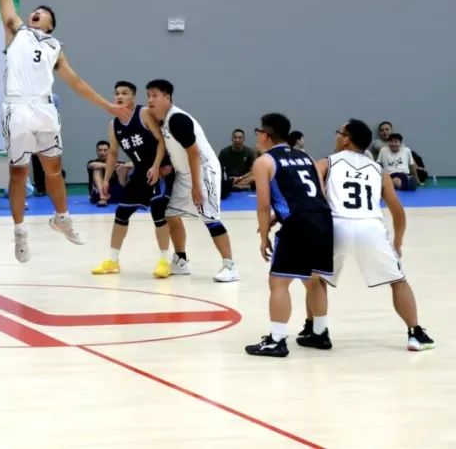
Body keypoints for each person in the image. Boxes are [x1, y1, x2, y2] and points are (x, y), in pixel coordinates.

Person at [0, 0, 129, 262]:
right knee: (19, 172)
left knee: (53, 168)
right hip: (18, 106)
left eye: (42, 12)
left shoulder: (54, 47)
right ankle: (20, 232)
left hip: (45, 107)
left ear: (51, 25)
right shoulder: (17, 31)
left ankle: (61, 218)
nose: (36, 13)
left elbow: (75, 82)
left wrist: (106, 105)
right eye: (34, 10)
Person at [306, 119, 434, 351]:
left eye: (339, 132)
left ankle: (319, 333)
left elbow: (312, 197)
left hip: (336, 224)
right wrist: (398, 242)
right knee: (398, 280)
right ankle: (416, 334)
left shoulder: (325, 163)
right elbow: (398, 211)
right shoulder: (379, 170)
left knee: (316, 279)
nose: (336, 135)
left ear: (346, 139)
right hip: (371, 227)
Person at [245, 113, 332, 358]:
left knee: (278, 282)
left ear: (265, 135)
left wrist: (264, 236)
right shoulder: (306, 156)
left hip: (297, 224)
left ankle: (276, 339)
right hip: (323, 220)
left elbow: (263, 205)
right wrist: (281, 214)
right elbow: (319, 194)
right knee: (314, 280)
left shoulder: (264, 162)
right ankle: (320, 332)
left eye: (258, 133)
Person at [144, 79, 238, 282]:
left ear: (167, 97)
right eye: (148, 96)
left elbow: (194, 154)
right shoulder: (163, 120)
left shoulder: (177, 119)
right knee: (171, 213)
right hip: (185, 172)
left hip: (203, 170)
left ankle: (230, 266)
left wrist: (196, 186)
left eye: (155, 95)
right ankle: (181, 261)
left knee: (210, 218)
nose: (150, 100)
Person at [91, 81, 175, 278]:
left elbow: (161, 141)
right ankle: (113, 261)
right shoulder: (114, 124)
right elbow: (113, 153)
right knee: (121, 213)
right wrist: (106, 179)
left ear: (133, 97)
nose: (120, 96)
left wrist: (156, 166)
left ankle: (165, 261)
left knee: (158, 212)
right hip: (140, 172)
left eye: (125, 93)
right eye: (117, 93)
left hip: (159, 169)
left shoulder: (143, 113)